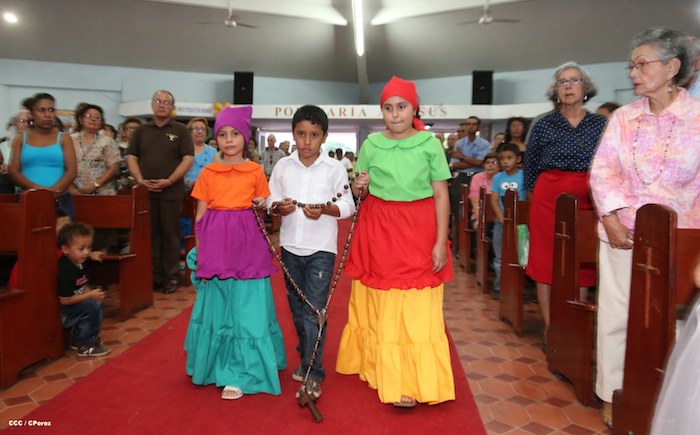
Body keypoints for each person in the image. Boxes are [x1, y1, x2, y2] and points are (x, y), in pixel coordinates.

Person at [589, 27, 700, 427]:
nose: (633, 72)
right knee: (617, 314)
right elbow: (604, 171)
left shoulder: (697, 118)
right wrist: (611, 217)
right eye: (631, 66)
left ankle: (673, 399)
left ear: (672, 67)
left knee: (675, 320)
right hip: (623, 234)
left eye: (641, 64)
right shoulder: (623, 117)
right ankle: (613, 394)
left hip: (681, 238)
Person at [336, 76, 455, 407]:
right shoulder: (372, 144)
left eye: (401, 107)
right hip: (379, 229)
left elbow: (441, 195)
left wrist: (440, 240)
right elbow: (360, 191)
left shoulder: (430, 144)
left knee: (415, 303)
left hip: (418, 229)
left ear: (414, 108)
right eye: (388, 108)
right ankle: (388, 372)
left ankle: (413, 379)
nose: (395, 114)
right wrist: (359, 186)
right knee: (383, 299)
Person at [184, 106, 285, 400]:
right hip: (216, 249)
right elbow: (200, 217)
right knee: (220, 308)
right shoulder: (208, 173)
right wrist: (202, 255)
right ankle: (217, 365)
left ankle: (240, 373)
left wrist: (265, 204)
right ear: (216, 139)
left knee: (246, 310)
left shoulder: (255, 171)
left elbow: (266, 205)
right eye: (223, 135)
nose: (229, 140)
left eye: (235, 134)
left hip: (248, 248)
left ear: (246, 139)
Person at [268, 105, 355, 400]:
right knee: (296, 309)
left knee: (314, 311)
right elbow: (270, 198)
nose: (307, 141)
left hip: (321, 249)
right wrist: (278, 207)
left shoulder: (335, 168)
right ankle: (306, 353)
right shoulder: (283, 166)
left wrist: (326, 209)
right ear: (293, 134)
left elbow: (348, 205)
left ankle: (313, 371)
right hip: (290, 247)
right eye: (301, 134)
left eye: (314, 135)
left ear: (324, 137)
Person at [523, 62, 607, 339]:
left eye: (575, 80)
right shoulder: (543, 123)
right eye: (562, 82)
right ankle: (551, 329)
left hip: (588, 195)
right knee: (545, 259)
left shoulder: (600, 124)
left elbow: (608, 163)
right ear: (556, 90)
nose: (568, 86)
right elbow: (530, 167)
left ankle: (575, 327)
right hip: (548, 195)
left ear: (586, 88)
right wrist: (533, 203)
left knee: (582, 259)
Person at [127, 90, 194, 294]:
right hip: (145, 192)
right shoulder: (141, 130)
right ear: (152, 104)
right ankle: (154, 277)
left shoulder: (181, 130)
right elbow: (131, 157)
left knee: (170, 236)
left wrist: (170, 180)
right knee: (149, 236)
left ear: (172, 107)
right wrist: (140, 181)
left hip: (171, 192)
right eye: (158, 101)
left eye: (166, 102)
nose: (162, 105)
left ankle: (172, 277)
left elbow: (188, 158)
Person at [8, 93, 77, 218]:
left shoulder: (64, 138)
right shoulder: (21, 139)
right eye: (42, 110)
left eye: (51, 110)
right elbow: (13, 171)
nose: (47, 115)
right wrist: (37, 190)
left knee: (61, 231)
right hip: (28, 198)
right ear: (31, 114)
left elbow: (72, 171)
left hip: (59, 200)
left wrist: (51, 192)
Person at [57, 222, 111, 357]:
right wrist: (90, 295)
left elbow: (81, 284)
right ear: (65, 249)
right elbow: (65, 301)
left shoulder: (78, 262)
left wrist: (90, 292)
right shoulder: (65, 270)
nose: (86, 252)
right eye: (81, 249)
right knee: (93, 304)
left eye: (89, 248)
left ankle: (78, 338)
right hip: (64, 312)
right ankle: (85, 344)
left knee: (95, 302)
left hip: (72, 306)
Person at [489, 144, 526, 300]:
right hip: (502, 221)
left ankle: (520, 288)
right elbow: (494, 200)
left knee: (522, 255)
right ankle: (500, 286)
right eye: (502, 159)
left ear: (518, 159)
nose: (505, 161)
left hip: (521, 222)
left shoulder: (524, 176)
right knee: (500, 256)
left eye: (509, 158)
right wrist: (502, 218)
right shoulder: (498, 177)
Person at [69, 103, 120, 196]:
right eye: (89, 116)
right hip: (74, 191)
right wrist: (71, 188)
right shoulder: (70, 140)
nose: (93, 119)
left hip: (102, 192)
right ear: (80, 120)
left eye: (97, 117)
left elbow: (113, 168)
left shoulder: (107, 141)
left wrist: (95, 184)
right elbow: (63, 165)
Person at [1, 110, 31, 193]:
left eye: (29, 121)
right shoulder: (3, 146)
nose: (26, 124)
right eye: (22, 121)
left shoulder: (37, 146)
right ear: (15, 124)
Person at [183, 117, 217, 190]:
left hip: (208, 189)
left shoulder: (213, 151)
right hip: (186, 191)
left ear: (206, 132)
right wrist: (187, 183)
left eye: (202, 129)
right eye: (196, 129)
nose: (199, 132)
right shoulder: (183, 149)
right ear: (189, 132)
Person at [468, 151, 499, 228]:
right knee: (481, 227)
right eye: (487, 163)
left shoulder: (503, 178)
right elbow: (475, 201)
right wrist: (480, 219)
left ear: (500, 166)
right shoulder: (477, 178)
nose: (490, 165)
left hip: (499, 216)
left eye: (494, 163)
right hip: (479, 216)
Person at [116, 117, 142, 190]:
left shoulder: (146, 149)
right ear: (124, 132)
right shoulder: (117, 149)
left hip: (141, 184)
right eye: (129, 129)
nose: (132, 131)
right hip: (121, 186)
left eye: (136, 129)